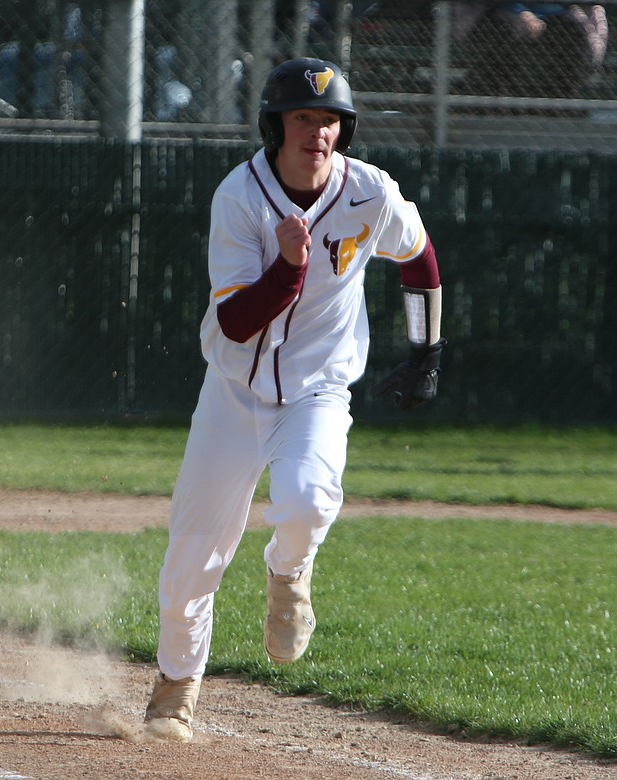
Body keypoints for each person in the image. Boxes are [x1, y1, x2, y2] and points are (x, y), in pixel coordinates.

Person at [142, 57, 446, 743]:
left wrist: (426, 350)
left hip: (316, 390)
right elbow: (236, 322)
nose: (319, 131)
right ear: (276, 125)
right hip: (233, 392)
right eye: (305, 118)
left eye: (331, 119)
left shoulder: (369, 192)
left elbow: (420, 254)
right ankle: (177, 684)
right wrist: (287, 265)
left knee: (309, 499)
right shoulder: (240, 198)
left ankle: (289, 571)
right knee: (193, 556)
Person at [453, 2, 607, 99]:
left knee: (572, 31)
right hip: (506, 11)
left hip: (553, 13)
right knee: (500, 30)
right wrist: (519, 11)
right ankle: (496, 99)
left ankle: (561, 101)